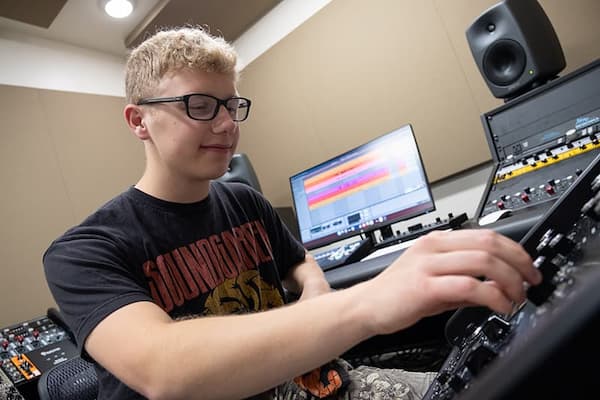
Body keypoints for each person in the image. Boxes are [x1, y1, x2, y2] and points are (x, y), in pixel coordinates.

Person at [42, 26, 541, 400]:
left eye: (230, 105)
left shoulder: (243, 202)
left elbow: (299, 262)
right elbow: (162, 367)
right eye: (199, 105)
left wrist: (317, 296)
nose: (225, 124)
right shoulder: (84, 251)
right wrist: (366, 304)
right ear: (139, 121)